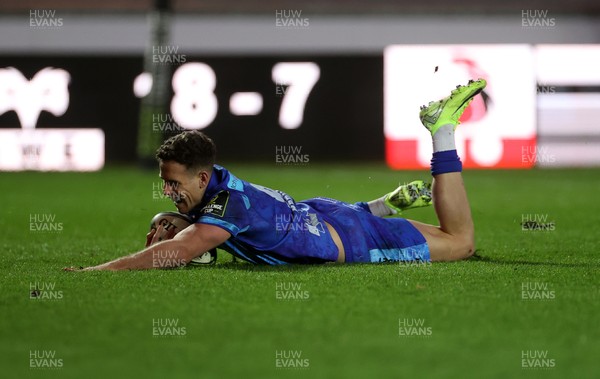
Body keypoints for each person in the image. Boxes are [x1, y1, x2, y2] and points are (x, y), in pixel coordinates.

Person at [68, 79, 485, 270]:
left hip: (351, 240)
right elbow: (190, 235)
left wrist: (100, 271)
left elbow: (179, 250)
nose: (167, 191)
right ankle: (380, 206)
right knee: (450, 238)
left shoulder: (222, 209)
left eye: (173, 183)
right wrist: (174, 224)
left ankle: (442, 129)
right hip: (329, 216)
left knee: (461, 242)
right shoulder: (221, 182)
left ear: (199, 179)